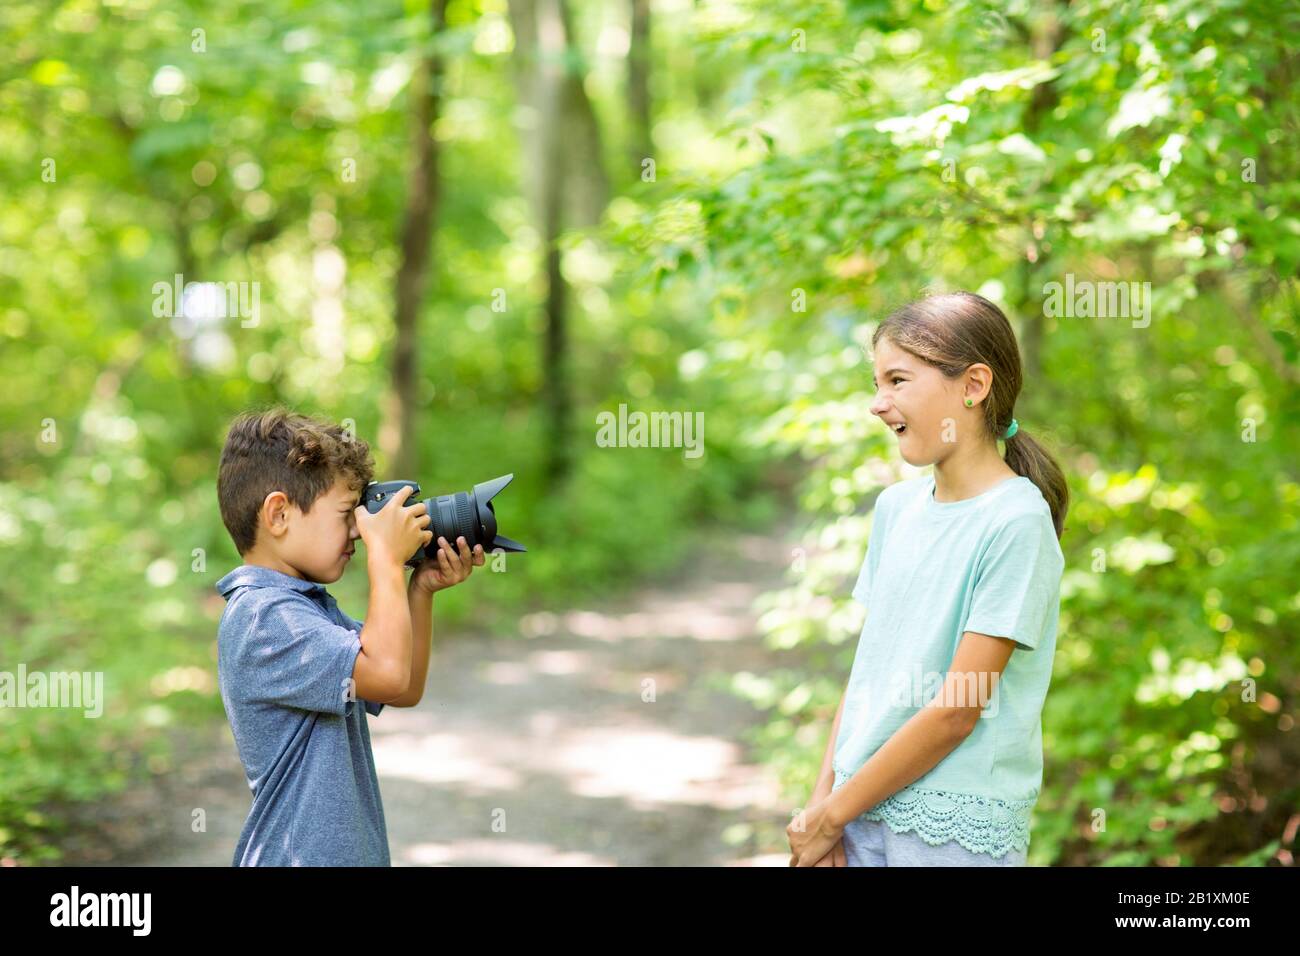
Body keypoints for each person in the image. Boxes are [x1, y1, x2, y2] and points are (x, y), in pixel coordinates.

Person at [787, 291, 1068, 867]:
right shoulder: (895, 508)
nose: (877, 402)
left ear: (973, 386)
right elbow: (868, 673)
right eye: (876, 383)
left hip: (949, 836)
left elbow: (957, 710)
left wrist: (832, 814)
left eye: (897, 380)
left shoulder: (1016, 521)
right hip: (857, 812)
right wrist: (824, 810)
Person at [213, 407, 484, 865]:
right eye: (346, 513)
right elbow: (390, 675)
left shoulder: (304, 606)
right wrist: (386, 561)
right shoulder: (263, 618)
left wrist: (420, 590)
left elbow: (403, 686)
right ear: (278, 514)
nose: (359, 531)